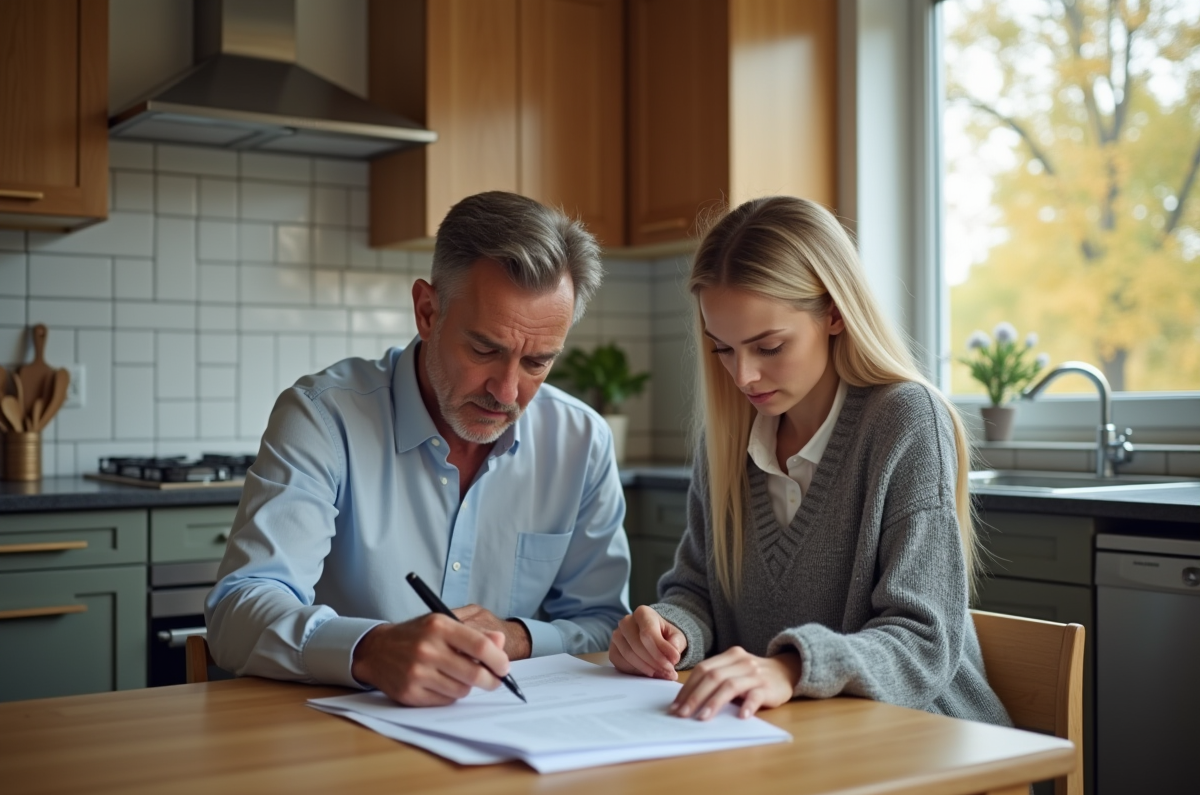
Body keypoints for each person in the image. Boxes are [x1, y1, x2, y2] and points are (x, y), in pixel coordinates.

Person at [207, 191, 631, 707]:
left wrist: (517, 637)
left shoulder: (582, 441)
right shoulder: (323, 416)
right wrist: (370, 648)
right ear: (427, 312)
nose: (506, 390)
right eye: (483, 350)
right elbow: (238, 610)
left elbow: (606, 625)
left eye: (537, 362)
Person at [608, 196, 1010, 728]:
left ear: (835, 313)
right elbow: (698, 590)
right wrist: (671, 629)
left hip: (926, 734)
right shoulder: (729, 438)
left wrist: (791, 669)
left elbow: (922, 640)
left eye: (768, 346)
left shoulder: (907, 420)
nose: (744, 376)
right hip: (789, 735)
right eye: (722, 349)